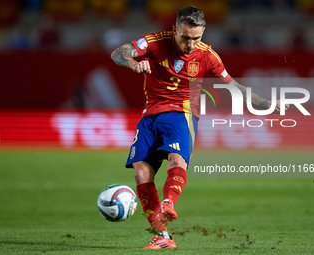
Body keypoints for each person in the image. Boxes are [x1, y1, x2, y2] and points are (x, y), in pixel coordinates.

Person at [111, 6, 287, 249]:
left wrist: (266, 104)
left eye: (197, 38)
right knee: (141, 172)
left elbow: (235, 87)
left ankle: (168, 204)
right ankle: (162, 236)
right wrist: (132, 63)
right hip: (150, 115)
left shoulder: (208, 55)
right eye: (185, 37)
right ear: (175, 30)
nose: (191, 44)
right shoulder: (154, 42)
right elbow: (118, 53)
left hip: (181, 114)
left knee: (176, 160)